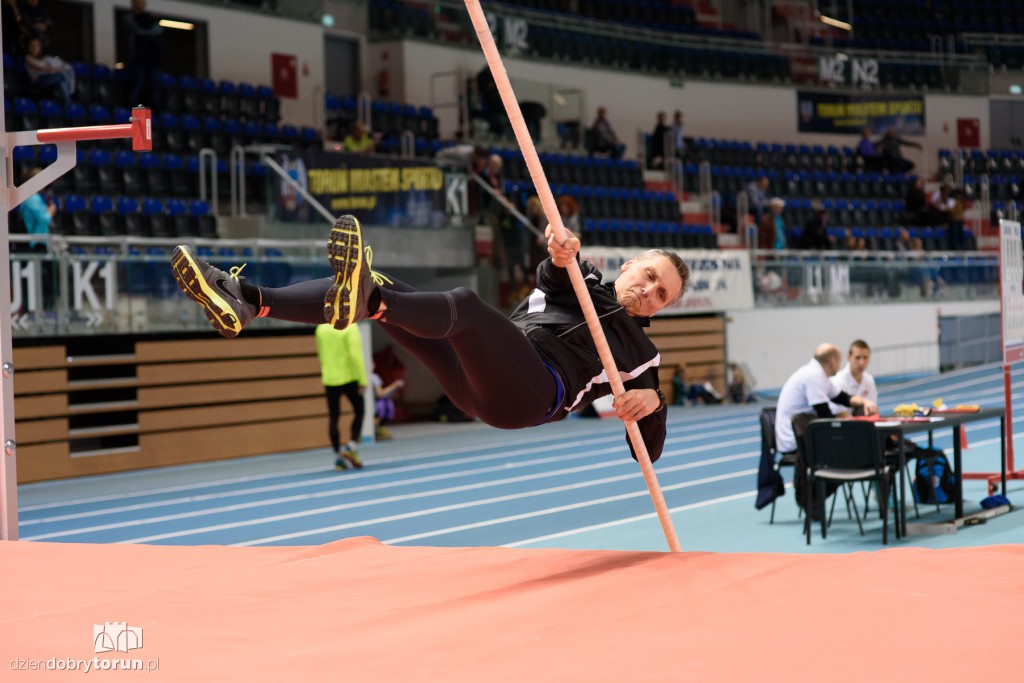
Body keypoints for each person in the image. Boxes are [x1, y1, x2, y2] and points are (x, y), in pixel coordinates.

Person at [170, 214, 689, 463]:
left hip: (530, 395)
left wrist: (652, 401)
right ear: (628, 265)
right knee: (386, 291)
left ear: (664, 307)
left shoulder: (642, 356)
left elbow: (649, 453)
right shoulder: (579, 277)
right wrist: (561, 253)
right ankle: (248, 299)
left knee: (461, 305)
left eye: (661, 294)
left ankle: (367, 301)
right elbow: (554, 273)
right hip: (475, 380)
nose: (648, 291)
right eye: (647, 275)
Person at [757, 343, 878, 512]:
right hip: (794, 439)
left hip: (802, 433)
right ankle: (810, 498)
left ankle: (814, 497)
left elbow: (842, 397)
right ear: (833, 361)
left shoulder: (819, 375)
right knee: (844, 454)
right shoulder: (813, 376)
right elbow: (824, 413)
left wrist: (865, 402)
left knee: (843, 450)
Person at [314, 322, 367, 471]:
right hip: (350, 377)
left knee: (334, 417)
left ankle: (338, 457)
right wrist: (362, 379)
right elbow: (355, 355)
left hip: (330, 379)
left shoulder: (320, 328)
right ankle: (351, 447)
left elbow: (321, 354)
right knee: (360, 411)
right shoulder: (350, 327)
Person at [121, 0, 163, 107]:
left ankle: (155, 108)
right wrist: (151, 21)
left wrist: (150, 21)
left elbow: (158, 31)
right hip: (137, 57)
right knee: (137, 83)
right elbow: (139, 31)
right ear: (133, 5)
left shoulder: (148, 18)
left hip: (152, 58)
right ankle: (131, 106)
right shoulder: (128, 18)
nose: (140, 6)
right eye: (137, 4)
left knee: (154, 84)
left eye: (142, 4)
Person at [22, 36, 73, 103]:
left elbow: (49, 70)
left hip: (48, 78)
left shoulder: (42, 59)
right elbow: (42, 68)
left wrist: (58, 69)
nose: (34, 48)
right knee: (62, 75)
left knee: (62, 81)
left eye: (37, 46)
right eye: (32, 46)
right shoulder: (28, 58)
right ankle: (68, 99)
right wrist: (58, 69)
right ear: (29, 47)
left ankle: (66, 103)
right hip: (38, 80)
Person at [18, 166, 55, 251]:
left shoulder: (36, 197)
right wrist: (50, 211)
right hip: (35, 243)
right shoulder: (32, 198)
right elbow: (44, 219)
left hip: (40, 242)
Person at [371, 364, 404, 441]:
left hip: (371, 404)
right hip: (374, 405)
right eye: (371, 362)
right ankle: (379, 429)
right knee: (386, 404)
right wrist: (395, 385)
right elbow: (380, 394)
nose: (373, 364)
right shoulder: (374, 377)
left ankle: (379, 429)